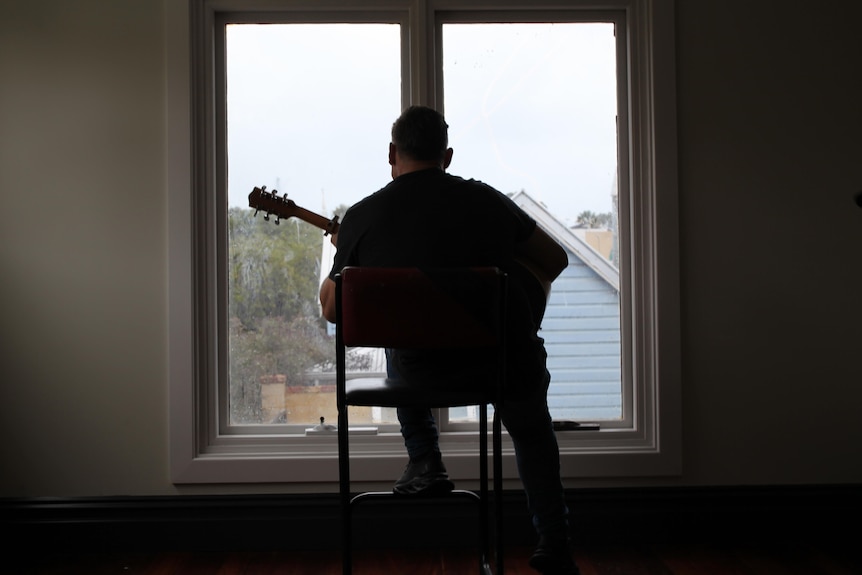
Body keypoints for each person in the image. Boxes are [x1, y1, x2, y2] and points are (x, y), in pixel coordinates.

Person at [319, 106, 578, 575]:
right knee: (531, 429)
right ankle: (553, 540)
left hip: (420, 375)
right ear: (448, 156)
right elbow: (555, 259)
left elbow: (335, 311)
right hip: (501, 367)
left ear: (392, 154)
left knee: (399, 337)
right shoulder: (486, 200)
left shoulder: (362, 216)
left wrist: (344, 255)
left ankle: (425, 459)